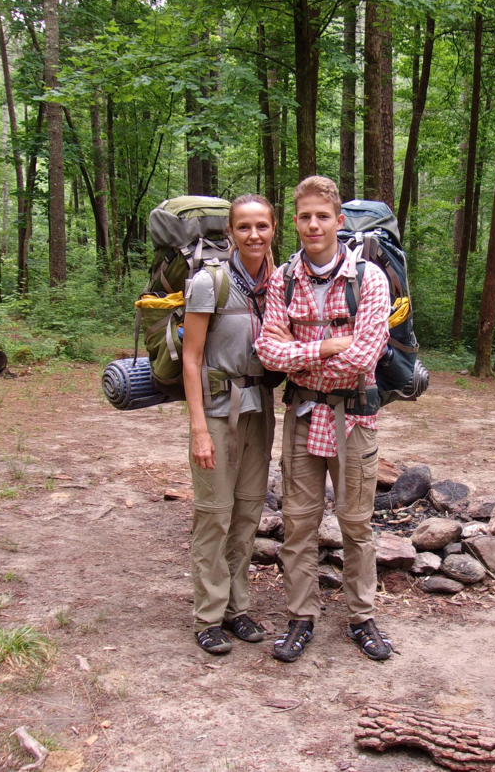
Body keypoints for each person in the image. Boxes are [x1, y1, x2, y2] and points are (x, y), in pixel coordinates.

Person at [255, 175, 393, 663]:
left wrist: (301, 354)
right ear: (294, 221)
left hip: (354, 416)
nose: (313, 224)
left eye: (322, 216)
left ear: (338, 220)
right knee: (298, 522)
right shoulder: (282, 279)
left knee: (356, 523)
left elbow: (363, 357)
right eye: (304, 216)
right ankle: (301, 617)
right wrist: (324, 347)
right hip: (301, 411)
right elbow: (269, 352)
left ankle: (362, 616)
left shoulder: (369, 279)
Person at [182, 194, 276, 655]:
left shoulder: (277, 285)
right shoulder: (209, 283)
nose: (253, 235)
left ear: (273, 229)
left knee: (247, 514)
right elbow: (192, 357)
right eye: (244, 227)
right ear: (231, 233)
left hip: (260, 411)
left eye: (262, 225)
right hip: (218, 413)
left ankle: (238, 609)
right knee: (214, 516)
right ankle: (208, 615)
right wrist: (199, 428)